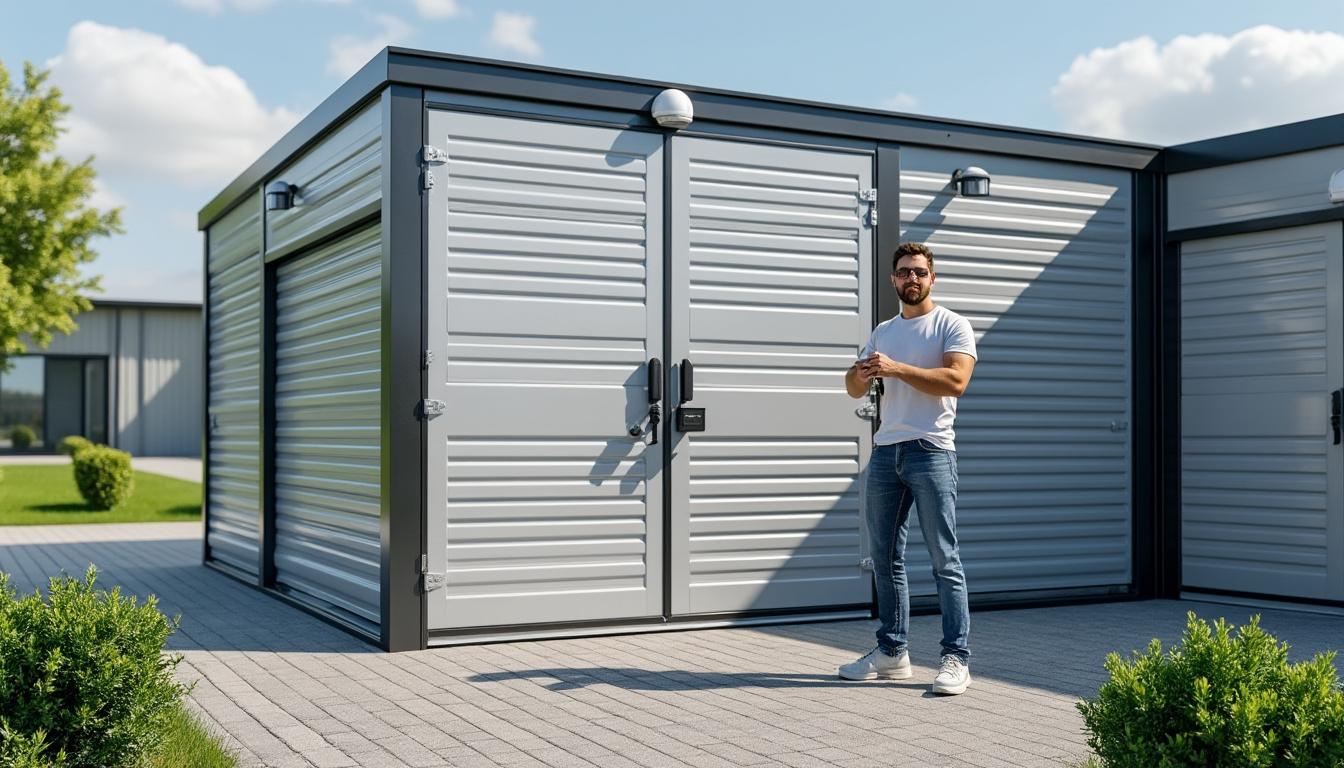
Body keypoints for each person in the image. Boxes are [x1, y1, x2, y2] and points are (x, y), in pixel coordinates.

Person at [838, 241, 978, 695]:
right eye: (903, 272)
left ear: (932, 278)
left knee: (944, 559)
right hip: (886, 453)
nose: (911, 279)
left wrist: (896, 368)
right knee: (885, 559)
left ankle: (956, 658)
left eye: (919, 272)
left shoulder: (951, 325)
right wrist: (863, 373)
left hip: (932, 450)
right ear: (893, 279)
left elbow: (956, 381)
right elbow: (852, 389)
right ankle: (892, 652)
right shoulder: (883, 330)